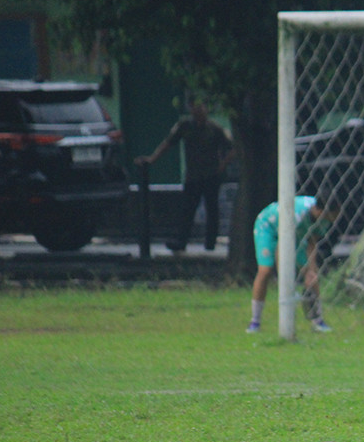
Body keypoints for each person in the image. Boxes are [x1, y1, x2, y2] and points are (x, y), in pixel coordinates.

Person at [135, 98, 234, 252]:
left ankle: (210, 243)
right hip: (193, 175)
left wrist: (222, 165)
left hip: (211, 175)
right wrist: (152, 159)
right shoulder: (185, 126)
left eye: (201, 108)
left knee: (212, 210)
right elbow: (168, 143)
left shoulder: (214, 128)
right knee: (188, 209)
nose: (199, 111)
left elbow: (232, 148)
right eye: (196, 108)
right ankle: (181, 242)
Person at [247, 194, 338, 334]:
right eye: (334, 214)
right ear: (321, 211)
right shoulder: (298, 214)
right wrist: (286, 281)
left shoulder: (324, 218)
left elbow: (312, 242)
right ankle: (255, 321)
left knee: (312, 277)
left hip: (295, 237)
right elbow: (281, 249)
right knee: (265, 270)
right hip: (268, 227)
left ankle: (318, 320)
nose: (336, 218)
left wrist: (311, 270)